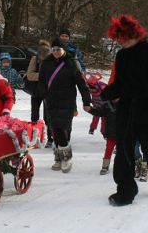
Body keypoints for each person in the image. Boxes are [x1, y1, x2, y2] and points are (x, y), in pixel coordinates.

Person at [101, 15, 148, 206]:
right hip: (126, 110)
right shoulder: (122, 55)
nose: (119, 42)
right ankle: (125, 189)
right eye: (117, 38)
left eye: (122, 37)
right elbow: (121, 83)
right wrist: (108, 92)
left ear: (133, 34)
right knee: (124, 151)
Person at [38, 37, 92, 173]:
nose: (55, 52)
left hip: (66, 100)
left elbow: (81, 83)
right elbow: (41, 81)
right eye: (53, 49)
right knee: (54, 128)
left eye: (58, 49)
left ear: (64, 50)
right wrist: (44, 94)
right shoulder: (47, 63)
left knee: (61, 128)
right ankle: (58, 158)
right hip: (51, 100)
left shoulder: (72, 63)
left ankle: (66, 157)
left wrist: (86, 101)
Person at [86, 78, 117, 175]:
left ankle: (121, 166)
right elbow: (98, 112)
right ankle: (105, 166)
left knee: (122, 152)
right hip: (111, 133)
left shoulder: (126, 106)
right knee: (108, 150)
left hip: (123, 134)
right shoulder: (107, 106)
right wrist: (90, 109)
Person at [25, 40, 52, 147]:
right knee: (34, 115)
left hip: (48, 91)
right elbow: (29, 75)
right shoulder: (34, 59)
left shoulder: (52, 60)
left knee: (48, 116)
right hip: (36, 90)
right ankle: (34, 136)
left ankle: (49, 137)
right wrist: (43, 76)